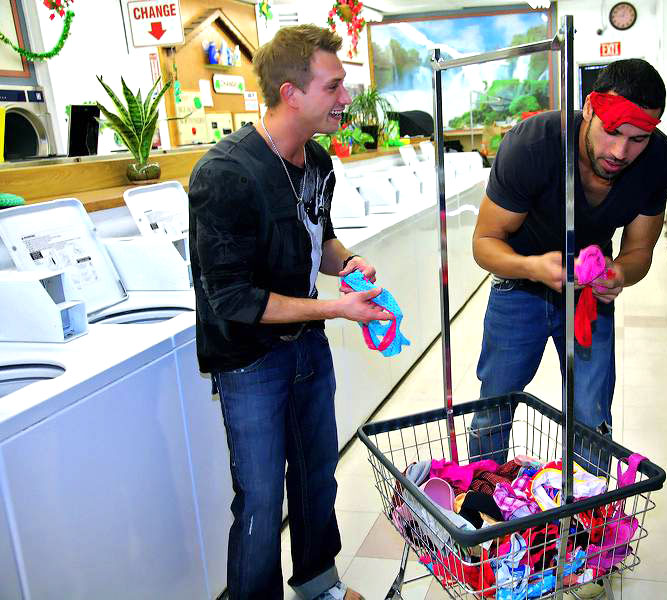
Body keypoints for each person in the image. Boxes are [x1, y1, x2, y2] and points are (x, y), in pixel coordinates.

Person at [189, 25, 389, 600]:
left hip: (307, 347)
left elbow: (321, 239)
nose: (345, 97)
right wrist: (337, 308)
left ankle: (318, 585)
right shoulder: (225, 174)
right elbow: (233, 298)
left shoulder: (317, 160)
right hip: (249, 361)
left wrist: (349, 262)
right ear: (291, 93)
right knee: (259, 498)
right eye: (333, 86)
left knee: (316, 476)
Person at [467, 59, 667, 468]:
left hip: (588, 296)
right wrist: (533, 267)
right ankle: (482, 492)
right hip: (519, 287)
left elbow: (640, 251)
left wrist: (618, 274)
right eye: (612, 131)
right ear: (590, 109)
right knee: (495, 406)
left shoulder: (657, 160)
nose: (620, 152)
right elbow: (484, 243)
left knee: (591, 416)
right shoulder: (533, 145)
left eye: (637, 139)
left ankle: (587, 503)